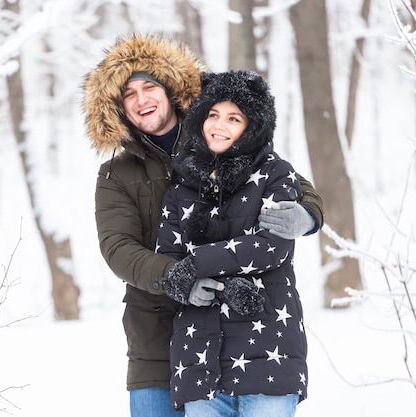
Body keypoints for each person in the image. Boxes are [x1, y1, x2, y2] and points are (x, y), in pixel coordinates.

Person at [82, 33, 322, 417]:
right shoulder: (116, 173)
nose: (142, 99)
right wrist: (179, 275)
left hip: (239, 329)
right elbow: (117, 248)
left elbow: (286, 182)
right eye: (129, 94)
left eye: (149, 86)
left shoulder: (217, 135)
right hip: (157, 338)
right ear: (116, 108)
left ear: (170, 88)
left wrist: (308, 214)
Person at [158, 70, 308, 417]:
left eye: (233, 118)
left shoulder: (276, 173)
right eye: (212, 115)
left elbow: (273, 245)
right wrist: (185, 286)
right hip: (199, 364)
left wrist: (196, 264)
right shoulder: (182, 184)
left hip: (268, 358)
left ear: (252, 126)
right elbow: (167, 257)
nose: (218, 126)